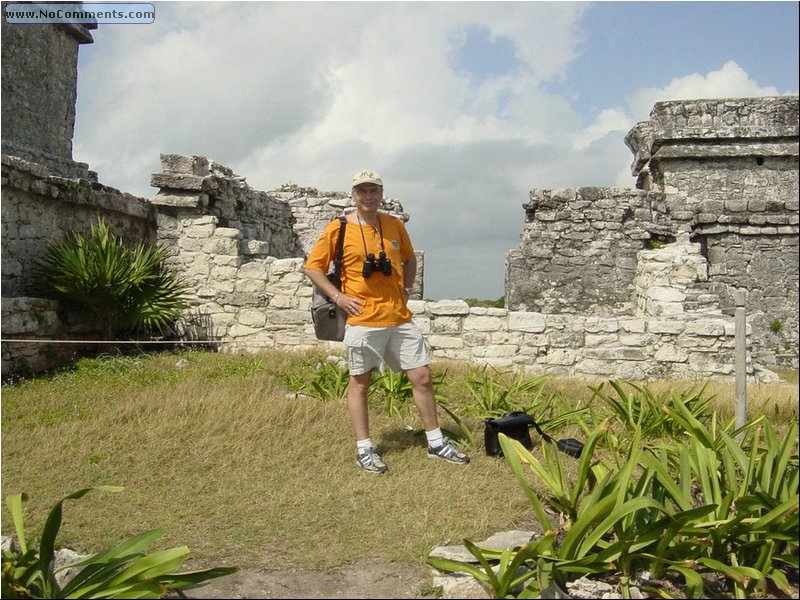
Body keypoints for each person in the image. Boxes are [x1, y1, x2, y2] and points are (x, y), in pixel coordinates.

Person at [304, 170, 470, 474]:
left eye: (374, 191)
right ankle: (364, 448)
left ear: (381, 194)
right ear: (353, 195)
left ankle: (435, 441)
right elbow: (313, 267)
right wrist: (338, 297)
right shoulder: (338, 228)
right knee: (361, 383)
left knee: (421, 378)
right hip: (363, 318)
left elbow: (409, 259)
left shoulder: (393, 224)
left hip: (398, 316)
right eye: (362, 191)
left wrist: (405, 291)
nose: (368, 196)